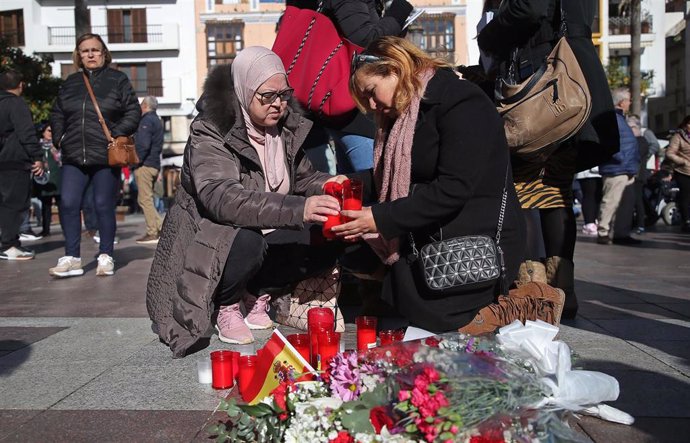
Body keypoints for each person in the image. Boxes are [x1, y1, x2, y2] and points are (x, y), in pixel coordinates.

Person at [339, 36, 564, 335]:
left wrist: (380, 218)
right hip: (431, 225)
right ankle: (408, 292)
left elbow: (454, 188)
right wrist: (345, 184)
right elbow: (392, 174)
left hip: (475, 232)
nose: (371, 106)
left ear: (394, 68)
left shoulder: (460, 101)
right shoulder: (405, 113)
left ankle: (523, 302)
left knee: (443, 324)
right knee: (351, 247)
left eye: (371, 92)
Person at [146, 47, 348, 358]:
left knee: (329, 234)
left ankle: (255, 293)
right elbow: (222, 198)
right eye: (267, 96)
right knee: (247, 241)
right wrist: (299, 209)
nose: (278, 104)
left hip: (268, 225)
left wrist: (328, 184)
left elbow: (303, 178)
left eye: (283, 94)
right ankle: (226, 305)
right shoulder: (212, 130)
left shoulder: (285, 129)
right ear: (244, 90)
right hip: (213, 235)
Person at [476, 0, 620, 319]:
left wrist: (489, 34)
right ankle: (562, 289)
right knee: (556, 188)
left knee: (525, 187)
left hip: (544, 80)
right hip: (574, 79)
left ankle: (534, 292)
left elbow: (529, 8)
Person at [285, 0, 414, 174]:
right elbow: (366, 39)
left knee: (352, 188)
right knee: (374, 184)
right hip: (352, 107)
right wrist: (399, 12)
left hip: (344, 105)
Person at [49, 33, 141, 277]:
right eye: (85, 50)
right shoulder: (70, 83)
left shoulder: (118, 80)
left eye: (95, 50)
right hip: (73, 155)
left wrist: (114, 133)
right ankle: (72, 257)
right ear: (78, 55)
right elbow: (57, 112)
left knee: (103, 205)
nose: (90, 54)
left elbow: (133, 112)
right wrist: (59, 138)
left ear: (104, 53)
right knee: (68, 203)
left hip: (105, 155)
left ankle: (106, 255)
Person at [0, 69, 44, 260]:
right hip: (14, 159)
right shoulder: (15, 104)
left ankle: (9, 242)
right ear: (21, 85)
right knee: (15, 203)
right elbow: (26, 132)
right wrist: (37, 156)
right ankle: (9, 245)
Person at [596, 88, 640, 245]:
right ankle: (603, 231)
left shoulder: (620, 118)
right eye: (628, 99)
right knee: (611, 201)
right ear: (621, 102)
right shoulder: (613, 118)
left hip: (625, 168)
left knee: (624, 204)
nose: (630, 102)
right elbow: (608, 142)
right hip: (617, 168)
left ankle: (621, 233)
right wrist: (620, 158)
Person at [133, 96, 164, 244]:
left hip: (145, 164)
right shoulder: (157, 120)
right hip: (154, 163)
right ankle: (161, 226)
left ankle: (153, 231)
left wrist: (136, 160)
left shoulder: (146, 121)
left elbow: (143, 144)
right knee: (146, 199)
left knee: (145, 199)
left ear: (145, 105)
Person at [34, 123, 62, 237]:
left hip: (58, 179)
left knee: (62, 205)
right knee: (46, 206)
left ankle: (66, 228)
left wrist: (55, 151)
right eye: (49, 131)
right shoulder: (38, 147)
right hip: (45, 180)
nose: (51, 134)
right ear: (43, 132)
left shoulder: (57, 145)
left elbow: (61, 161)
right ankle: (45, 229)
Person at [665, 115, 690, 232]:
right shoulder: (678, 136)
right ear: (685, 124)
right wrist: (682, 161)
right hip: (683, 171)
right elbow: (670, 153)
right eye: (689, 124)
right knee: (685, 197)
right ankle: (686, 221)